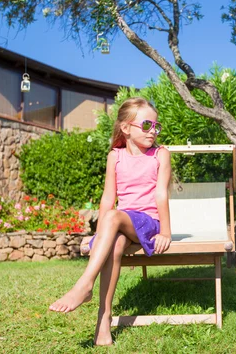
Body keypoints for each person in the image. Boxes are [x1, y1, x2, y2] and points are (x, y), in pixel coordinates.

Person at [49, 97, 172, 346]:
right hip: (121, 224)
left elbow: (161, 193)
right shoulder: (114, 157)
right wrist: (97, 236)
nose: (153, 131)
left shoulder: (160, 154)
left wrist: (166, 232)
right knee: (114, 243)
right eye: (147, 125)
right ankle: (103, 323)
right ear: (126, 128)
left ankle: (84, 284)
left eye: (156, 126)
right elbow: (108, 198)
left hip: (148, 224)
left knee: (114, 216)